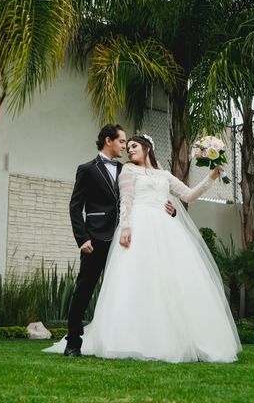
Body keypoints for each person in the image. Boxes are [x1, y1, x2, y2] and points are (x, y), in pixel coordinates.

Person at [46, 134, 241, 363]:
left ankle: (169, 337)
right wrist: (126, 227)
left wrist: (211, 176)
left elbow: (188, 195)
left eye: (134, 146)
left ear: (148, 148)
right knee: (134, 282)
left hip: (165, 230)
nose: (129, 150)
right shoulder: (128, 170)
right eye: (127, 147)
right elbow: (126, 200)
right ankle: (115, 338)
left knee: (167, 283)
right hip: (137, 227)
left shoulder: (165, 175)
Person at [61, 124, 175, 357]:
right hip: (96, 239)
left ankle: (126, 339)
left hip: (127, 240)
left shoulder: (129, 169)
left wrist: (169, 210)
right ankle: (73, 342)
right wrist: (82, 238)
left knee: (126, 290)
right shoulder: (87, 169)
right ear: (108, 140)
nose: (125, 146)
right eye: (122, 142)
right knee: (84, 289)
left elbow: (147, 196)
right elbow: (75, 207)